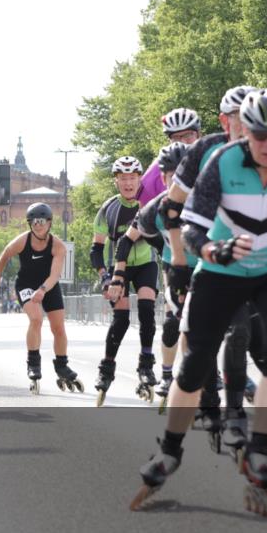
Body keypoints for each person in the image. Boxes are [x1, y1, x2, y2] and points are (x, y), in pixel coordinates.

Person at [131, 89, 267, 517]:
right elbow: (190, 226)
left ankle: (260, 451)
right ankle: (170, 451)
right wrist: (209, 252)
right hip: (223, 267)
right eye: (259, 135)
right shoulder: (220, 162)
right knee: (196, 363)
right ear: (241, 131)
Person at [165, 85, 267, 456]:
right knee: (200, 337)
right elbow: (171, 209)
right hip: (201, 256)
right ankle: (212, 402)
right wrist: (179, 262)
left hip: (253, 262)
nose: (244, 130)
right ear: (224, 121)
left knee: (255, 332)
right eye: (233, 120)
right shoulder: (204, 151)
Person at [109, 142, 191, 413]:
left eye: (182, 174)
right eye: (169, 176)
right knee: (172, 324)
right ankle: (165, 374)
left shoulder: (208, 199)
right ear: (162, 178)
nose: (176, 181)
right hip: (173, 267)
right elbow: (125, 241)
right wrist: (117, 275)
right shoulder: (153, 208)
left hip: (208, 266)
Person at [0, 202, 82, 395]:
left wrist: (42, 289)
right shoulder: (22, 241)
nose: (38, 225)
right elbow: (5, 254)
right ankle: (33, 363)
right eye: (33, 222)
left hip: (48, 285)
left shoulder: (58, 245)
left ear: (49, 223)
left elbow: (55, 275)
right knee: (36, 319)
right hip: (25, 285)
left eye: (41, 221)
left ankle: (62, 366)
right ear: (29, 223)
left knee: (58, 327)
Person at [90, 156, 160, 406]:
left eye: (133, 178)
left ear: (140, 178)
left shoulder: (150, 204)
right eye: (123, 179)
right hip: (117, 270)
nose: (129, 183)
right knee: (121, 319)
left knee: (147, 310)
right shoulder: (108, 209)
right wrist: (105, 277)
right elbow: (95, 250)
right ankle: (106, 368)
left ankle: (146, 364)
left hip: (145, 264)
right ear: (116, 181)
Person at [136, 108, 202, 205]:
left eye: (188, 135)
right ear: (169, 140)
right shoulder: (155, 173)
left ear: (199, 135)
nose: (183, 142)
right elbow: (144, 209)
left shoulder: (216, 159)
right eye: (176, 137)